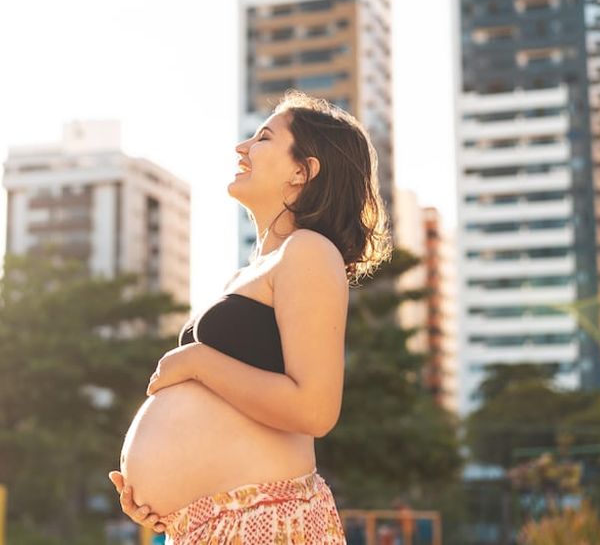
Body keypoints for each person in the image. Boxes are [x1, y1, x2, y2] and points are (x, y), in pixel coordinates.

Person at [109, 90, 391, 544]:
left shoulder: (308, 251)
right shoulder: (248, 272)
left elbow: (315, 409)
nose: (242, 148)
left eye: (263, 138)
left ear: (303, 170)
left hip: (266, 520)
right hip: (207, 525)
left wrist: (197, 361)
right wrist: (156, 501)